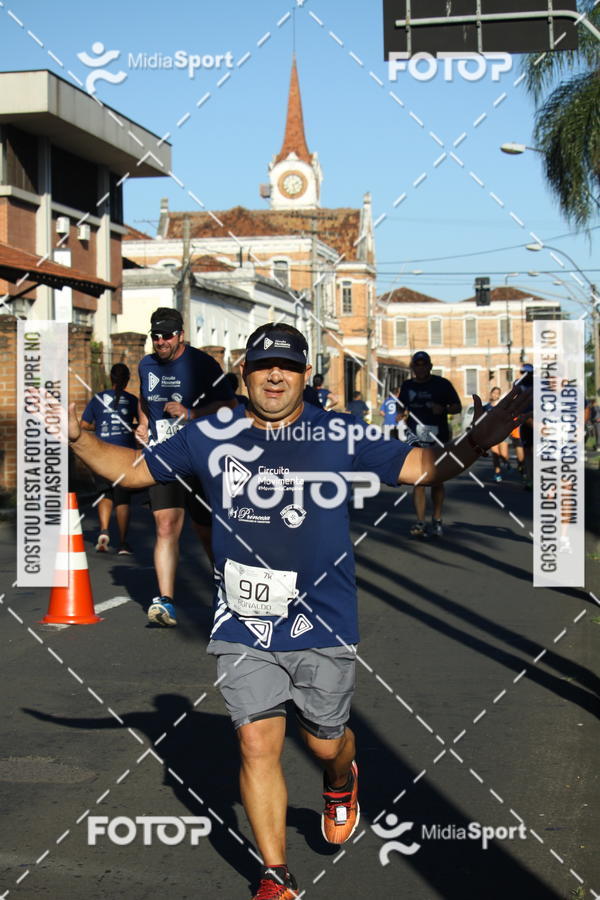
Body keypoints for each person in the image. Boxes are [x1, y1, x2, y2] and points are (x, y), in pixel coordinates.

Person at [68, 323, 530, 900]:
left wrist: (479, 441)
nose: (275, 376)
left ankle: (341, 782)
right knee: (256, 744)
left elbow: (422, 469)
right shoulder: (211, 433)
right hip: (243, 619)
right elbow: (135, 472)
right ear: (246, 374)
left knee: (323, 744)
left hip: (323, 620)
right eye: (263, 366)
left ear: (304, 375)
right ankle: (276, 874)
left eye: (286, 366)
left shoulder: (336, 431)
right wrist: (77, 439)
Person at [136, 307, 235, 627]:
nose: (160, 341)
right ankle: (165, 601)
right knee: (165, 527)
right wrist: (142, 424)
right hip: (163, 456)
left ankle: (225, 590)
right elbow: (144, 398)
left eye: (166, 336)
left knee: (206, 531)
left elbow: (230, 406)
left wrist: (190, 413)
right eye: (156, 336)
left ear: (180, 335)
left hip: (199, 456)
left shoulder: (202, 364)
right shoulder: (146, 365)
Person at [399, 351, 462, 538]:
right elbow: (402, 407)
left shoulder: (442, 385)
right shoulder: (407, 385)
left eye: (423, 365)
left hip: (437, 437)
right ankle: (420, 521)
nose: (420, 368)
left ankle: (436, 518)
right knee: (418, 480)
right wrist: (399, 415)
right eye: (416, 365)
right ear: (412, 368)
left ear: (430, 366)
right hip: (415, 438)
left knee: (436, 479)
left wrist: (443, 408)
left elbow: (457, 406)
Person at [81, 363, 138, 555]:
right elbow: (141, 427)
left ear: (110, 378)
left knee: (104, 494)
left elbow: (83, 424)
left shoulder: (98, 398)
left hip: (101, 454)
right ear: (128, 379)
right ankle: (122, 543)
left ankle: (104, 530)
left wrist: (97, 428)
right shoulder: (132, 400)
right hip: (124, 455)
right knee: (122, 499)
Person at [484, 387, 510, 483]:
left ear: (499, 395)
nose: (495, 395)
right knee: (495, 454)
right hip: (492, 433)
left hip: (502, 432)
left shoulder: (502, 406)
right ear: (491, 394)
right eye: (494, 393)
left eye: (497, 393)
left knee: (503, 455)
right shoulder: (486, 407)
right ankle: (497, 474)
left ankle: (507, 463)